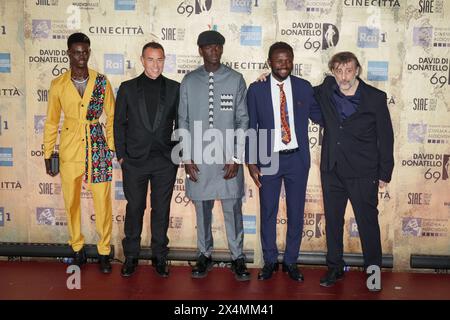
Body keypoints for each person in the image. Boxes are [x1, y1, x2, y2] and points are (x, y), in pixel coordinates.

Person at [314, 52, 394, 291]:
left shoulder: (375, 98)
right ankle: (335, 268)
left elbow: (386, 137)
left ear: (357, 70)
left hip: (363, 171)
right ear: (333, 72)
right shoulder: (327, 89)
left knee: (368, 224)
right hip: (332, 170)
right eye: (338, 71)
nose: (343, 76)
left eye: (348, 70)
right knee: (333, 223)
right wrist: (266, 78)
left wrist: (384, 173)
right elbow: (299, 90)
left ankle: (373, 275)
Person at [178, 30, 251, 281]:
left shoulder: (235, 79)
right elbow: (183, 120)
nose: (214, 51)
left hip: (227, 159)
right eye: (208, 47)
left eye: (218, 47)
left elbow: (243, 120)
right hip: (198, 159)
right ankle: (204, 254)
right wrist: (186, 157)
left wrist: (236, 158)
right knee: (202, 210)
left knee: (233, 210)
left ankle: (238, 257)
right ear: (200, 50)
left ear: (222, 49)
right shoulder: (189, 81)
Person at [246, 42, 322, 282]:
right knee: (268, 212)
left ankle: (290, 261)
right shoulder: (256, 90)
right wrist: (250, 161)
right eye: (279, 60)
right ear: (269, 62)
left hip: (297, 160)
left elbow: (320, 116)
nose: (284, 65)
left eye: (288, 60)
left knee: (296, 213)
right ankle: (270, 261)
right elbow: (251, 127)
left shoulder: (303, 87)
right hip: (268, 160)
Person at [43, 32, 115, 274]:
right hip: (70, 149)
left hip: (97, 147)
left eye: (85, 51)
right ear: (68, 53)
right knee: (71, 201)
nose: (81, 56)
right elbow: (52, 122)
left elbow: (113, 117)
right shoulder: (58, 85)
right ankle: (77, 248)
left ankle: (104, 251)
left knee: (103, 202)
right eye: (76, 52)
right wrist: (47, 152)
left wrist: (111, 147)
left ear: (89, 52)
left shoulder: (102, 82)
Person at [114, 42, 180, 278]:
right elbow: (119, 123)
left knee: (161, 209)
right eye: (151, 59)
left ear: (164, 60)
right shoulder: (128, 88)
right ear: (142, 60)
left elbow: (181, 124)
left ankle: (159, 257)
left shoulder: (175, 88)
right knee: (135, 208)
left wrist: (177, 155)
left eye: (160, 59)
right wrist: (121, 156)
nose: (155, 64)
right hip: (134, 161)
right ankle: (131, 256)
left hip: (164, 161)